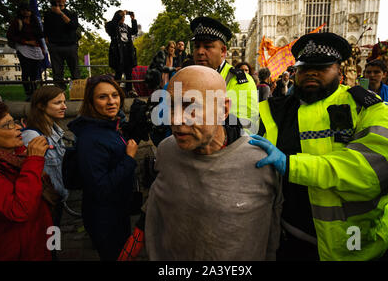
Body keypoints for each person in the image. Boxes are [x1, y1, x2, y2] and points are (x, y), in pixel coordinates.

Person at [250, 32, 388, 261]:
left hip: (356, 245)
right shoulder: (274, 110)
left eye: (322, 67)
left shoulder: (370, 108)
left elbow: (373, 171)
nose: (311, 73)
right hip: (291, 239)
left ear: (340, 73)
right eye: (304, 68)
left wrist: (291, 165)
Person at [120, 66, 281, 261]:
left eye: (191, 107)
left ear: (224, 109)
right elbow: (155, 206)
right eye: (171, 106)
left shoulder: (262, 163)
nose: (176, 120)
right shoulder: (167, 150)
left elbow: (276, 233)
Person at [67, 75, 138, 261]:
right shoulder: (91, 138)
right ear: (91, 101)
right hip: (105, 217)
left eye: (115, 95)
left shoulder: (108, 126)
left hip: (117, 210)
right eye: (103, 97)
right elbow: (101, 187)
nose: (111, 101)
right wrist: (129, 158)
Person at [0, 102, 53, 260]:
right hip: (12, 248)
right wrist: (33, 161)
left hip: (41, 236)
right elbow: (18, 210)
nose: (19, 128)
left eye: (15, 121)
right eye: (8, 125)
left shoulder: (17, 153)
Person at [191, 17, 258, 133]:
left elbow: (247, 128)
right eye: (197, 46)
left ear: (223, 51)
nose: (200, 52)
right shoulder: (188, 78)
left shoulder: (240, 81)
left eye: (207, 46)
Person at [21, 86, 68, 232]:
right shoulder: (32, 136)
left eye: (64, 102)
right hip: (43, 203)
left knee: (54, 242)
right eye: (57, 102)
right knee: (47, 246)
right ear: (41, 106)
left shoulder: (54, 129)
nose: (64, 106)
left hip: (56, 199)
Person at [6, 3, 45, 101]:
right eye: (24, 10)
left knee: (34, 72)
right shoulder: (17, 22)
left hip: (36, 48)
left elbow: (40, 36)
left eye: (28, 10)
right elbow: (10, 35)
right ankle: (28, 92)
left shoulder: (35, 21)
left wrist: (42, 47)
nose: (26, 12)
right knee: (26, 72)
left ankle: (34, 92)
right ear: (20, 11)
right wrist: (25, 42)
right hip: (23, 48)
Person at [43, 0, 80, 90]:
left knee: (75, 71)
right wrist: (48, 44)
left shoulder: (71, 13)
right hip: (55, 46)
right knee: (57, 73)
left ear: (65, 0)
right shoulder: (48, 14)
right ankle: (59, 94)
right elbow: (45, 30)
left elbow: (73, 26)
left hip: (70, 46)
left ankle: (76, 93)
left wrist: (60, 13)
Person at [105, 10, 138, 97]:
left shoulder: (126, 26)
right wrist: (121, 13)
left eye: (124, 17)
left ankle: (129, 91)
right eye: (122, 16)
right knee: (118, 73)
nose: (123, 18)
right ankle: (115, 91)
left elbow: (134, 31)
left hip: (128, 51)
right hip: (118, 52)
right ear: (117, 16)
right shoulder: (111, 25)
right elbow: (113, 24)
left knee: (129, 73)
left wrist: (133, 19)